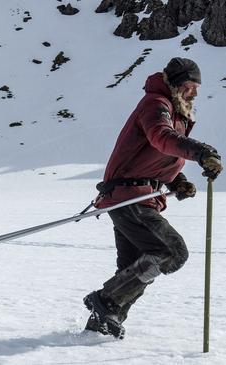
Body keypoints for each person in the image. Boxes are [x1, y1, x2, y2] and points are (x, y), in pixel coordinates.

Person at [83, 57, 223, 339]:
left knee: (135, 265)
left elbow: (156, 157)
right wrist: (200, 152)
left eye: (196, 87)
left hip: (136, 196)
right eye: (189, 86)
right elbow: (161, 138)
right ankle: (105, 298)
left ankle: (103, 322)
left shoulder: (173, 111)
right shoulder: (156, 104)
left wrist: (178, 181)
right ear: (175, 84)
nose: (194, 93)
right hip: (129, 198)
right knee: (171, 252)